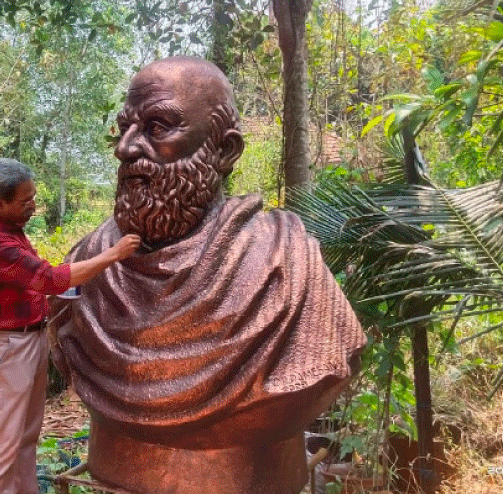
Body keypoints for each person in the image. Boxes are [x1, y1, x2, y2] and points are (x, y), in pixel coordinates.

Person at [51, 57, 366, 494]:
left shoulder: (288, 263)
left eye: (157, 127)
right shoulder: (88, 264)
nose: (125, 148)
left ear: (224, 150)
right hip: (116, 463)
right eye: (123, 128)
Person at [0, 158, 139, 494]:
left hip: (26, 340)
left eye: (33, 198)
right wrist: (112, 255)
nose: (33, 206)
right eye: (25, 201)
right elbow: (48, 279)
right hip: (8, 346)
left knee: (28, 432)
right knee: (7, 439)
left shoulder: (11, 232)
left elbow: (36, 280)